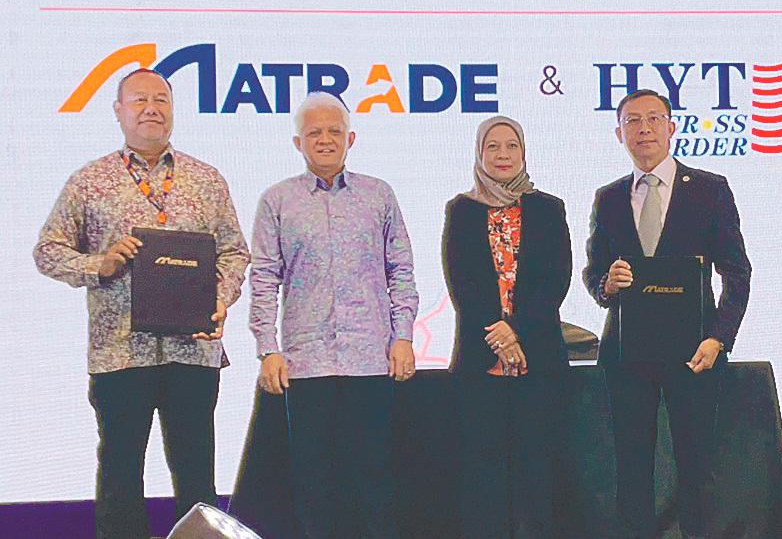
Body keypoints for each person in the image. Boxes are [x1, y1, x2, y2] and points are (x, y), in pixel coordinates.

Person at [33, 68, 250, 539]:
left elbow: (235, 251)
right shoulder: (90, 181)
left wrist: (219, 297)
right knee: (120, 474)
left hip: (193, 349)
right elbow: (47, 252)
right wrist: (101, 264)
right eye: (139, 100)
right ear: (118, 111)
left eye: (161, 99)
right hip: (120, 352)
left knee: (196, 475)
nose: (151, 108)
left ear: (172, 110)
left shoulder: (207, 179)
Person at [248, 92, 419, 539]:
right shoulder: (277, 201)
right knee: (313, 486)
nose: (325, 140)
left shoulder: (378, 195)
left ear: (351, 138)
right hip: (306, 366)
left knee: (375, 481)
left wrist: (403, 337)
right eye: (314, 133)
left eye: (334, 131)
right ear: (297, 143)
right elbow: (264, 278)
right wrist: (268, 349)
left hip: (370, 360)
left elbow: (401, 270)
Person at [583, 89, 751, 539]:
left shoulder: (711, 190)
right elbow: (594, 272)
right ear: (619, 133)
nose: (644, 129)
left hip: (696, 352)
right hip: (627, 353)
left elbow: (737, 273)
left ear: (672, 128)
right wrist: (605, 284)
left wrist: (719, 337)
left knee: (697, 469)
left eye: (654, 119)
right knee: (632, 470)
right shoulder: (609, 197)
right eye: (633, 121)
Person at [443, 115, 572, 538]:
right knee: (484, 473)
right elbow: (461, 282)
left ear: (523, 152)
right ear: (480, 154)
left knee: (539, 471)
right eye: (492, 147)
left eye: (511, 146)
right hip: (481, 361)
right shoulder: (461, 209)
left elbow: (556, 280)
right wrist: (498, 336)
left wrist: (515, 330)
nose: (502, 155)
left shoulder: (548, 209)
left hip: (540, 359)